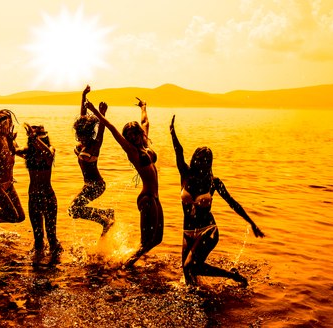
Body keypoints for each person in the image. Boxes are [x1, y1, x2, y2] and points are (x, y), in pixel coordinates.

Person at [169, 115, 265, 287]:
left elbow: (233, 203)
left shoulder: (214, 182)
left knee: (190, 265)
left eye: (207, 161)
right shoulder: (186, 174)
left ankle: (231, 276)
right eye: (200, 159)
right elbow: (178, 152)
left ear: (210, 163)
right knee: (188, 274)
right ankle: (198, 299)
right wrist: (172, 133)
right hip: (188, 230)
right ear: (194, 159)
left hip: (208, 229)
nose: (203, 163)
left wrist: (252, 223)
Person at [86, 98, 164, 267]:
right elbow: (112, 128)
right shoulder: (132, 150)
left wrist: (143, 107)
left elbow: (145, 122)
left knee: (157, 239)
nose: (133, 137)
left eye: (135, 134)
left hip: (156, 198)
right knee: (146, 242)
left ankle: (127, 260)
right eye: (129, 136)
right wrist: (95, 111)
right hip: (147, 199)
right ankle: (125, 265)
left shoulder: (144, 145)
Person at [68, 85, 115, 237]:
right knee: (74, 211)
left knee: (74, 209)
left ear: (88, 134)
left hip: (97, 185)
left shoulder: (94, 145)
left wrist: (101, 113)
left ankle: (105, 220)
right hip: (89, 185)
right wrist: (83, 96)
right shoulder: (83, 143)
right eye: (79, 135)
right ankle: (106, 213)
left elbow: (102, 129)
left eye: (83, 135)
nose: (80, 137)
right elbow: (83, 117)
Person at [16, 123, 63, 265]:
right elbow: (13, 150)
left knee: (51, 236)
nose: (33, 141)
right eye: (31, 139)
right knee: (37, 238)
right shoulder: (29, 153)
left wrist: (35, 138)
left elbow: (49, 153)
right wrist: (9, 137)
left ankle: (55, 267)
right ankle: (36, 269)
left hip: (48, 198)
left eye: (36, 138)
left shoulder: (49, 151)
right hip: (33, 198)